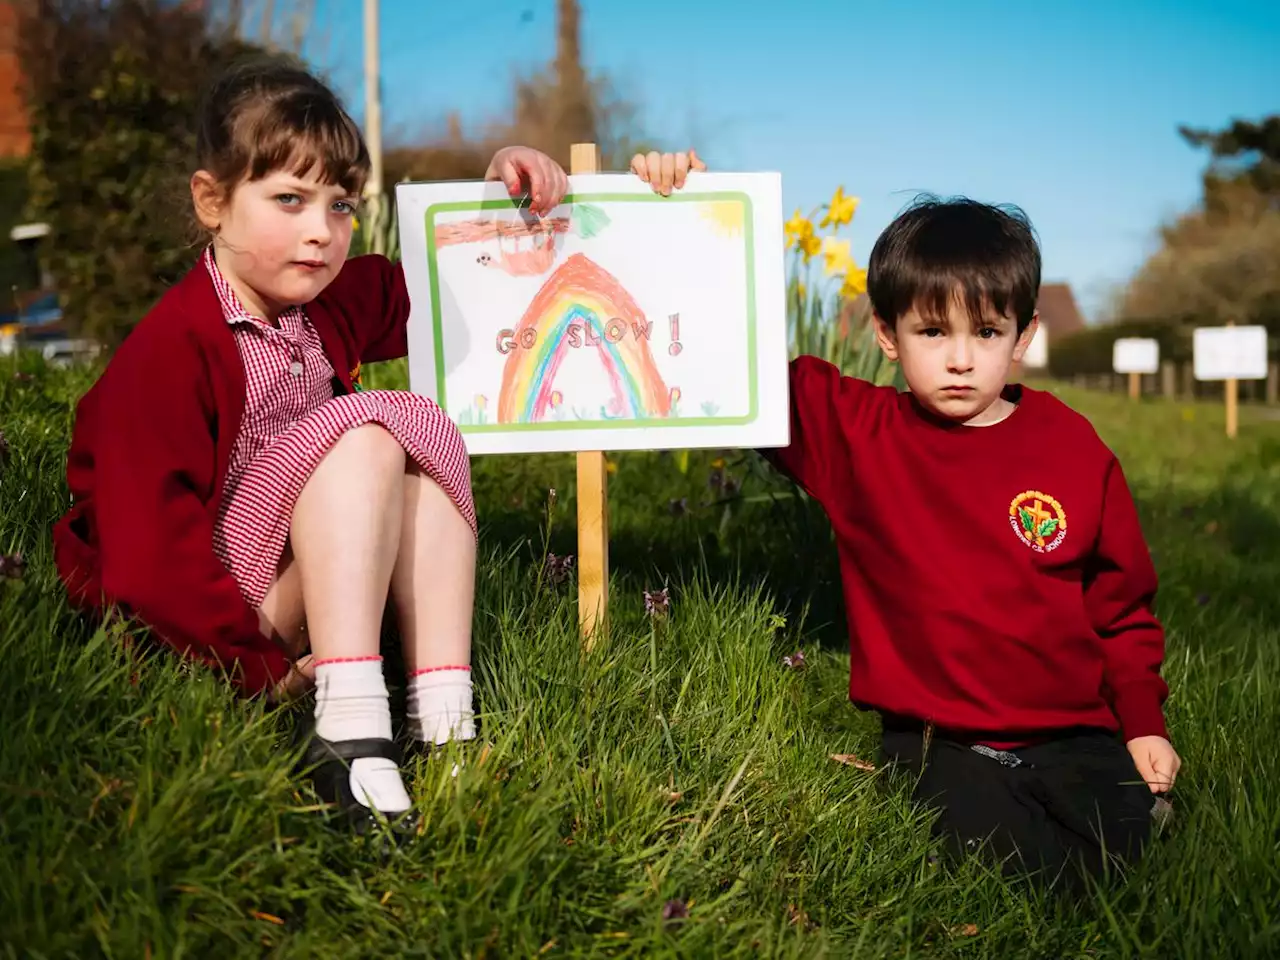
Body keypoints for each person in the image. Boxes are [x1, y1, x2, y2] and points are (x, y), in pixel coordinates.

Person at [52, 54, 702, 834]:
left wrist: (496, 191)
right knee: (369, 433)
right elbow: (148, 552)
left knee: (415, 474)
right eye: (288, 200)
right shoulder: (171, 348)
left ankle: (444, 718)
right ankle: (351, 729)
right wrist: (255, 669)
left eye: (340, 205)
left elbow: (459, 278)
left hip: (300, 599)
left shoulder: (328, 304)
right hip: (208, 623)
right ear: (211, 202)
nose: (321, 232)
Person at [763, 195, 1182, 889]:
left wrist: (1142, 722)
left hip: (1070, 727)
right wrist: (678, 197)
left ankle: (1127, 815)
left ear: (1022, 336)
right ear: (887, 333)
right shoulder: (855, 434)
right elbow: (729, 381)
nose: (960, 360)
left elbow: (1121, 607)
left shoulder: (1072, 448)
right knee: (1016, 870)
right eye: (932, 332)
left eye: (986, 333)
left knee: (1136, 855)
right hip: (935, 739)